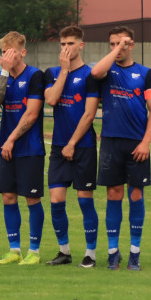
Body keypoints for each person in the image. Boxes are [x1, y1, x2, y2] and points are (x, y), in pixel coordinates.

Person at [89, 26, 151, 271]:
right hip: (110, 141)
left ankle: (134, 253)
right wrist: (117, 48)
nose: (115, 49)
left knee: (136, 195)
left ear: (132, 45)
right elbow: (96, 71)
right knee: (113, 194)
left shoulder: (145, 73)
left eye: (120, 44)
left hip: (136, 143)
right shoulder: (107, 70)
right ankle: (112, 252)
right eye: (111, 44)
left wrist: (146, 142)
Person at [43, 26, 100, 267]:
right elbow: (52, 100)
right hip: (58, 147)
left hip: (83, 146)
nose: (66, 48)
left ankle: (91, 254)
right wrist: (64, 72)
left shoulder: (91, 76)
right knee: (56, 200)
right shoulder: (53, 72)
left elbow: (89, 115)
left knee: (85, 200)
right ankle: (64, 251)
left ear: (81, 45)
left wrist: (72, 143)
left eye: (70, 44)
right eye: (62, 44)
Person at [0, 31, 46, 265]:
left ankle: (34, 251)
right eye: (4, 52)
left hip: (29, 148)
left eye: (12, 52)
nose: (7, 56)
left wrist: (11, 139)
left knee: (31, 199)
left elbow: (31, 115)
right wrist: (4, 71)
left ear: (22, 52)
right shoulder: (0, 76)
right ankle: (14, 250)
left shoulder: (35, 76)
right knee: (8, 197)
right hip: (7, 148)